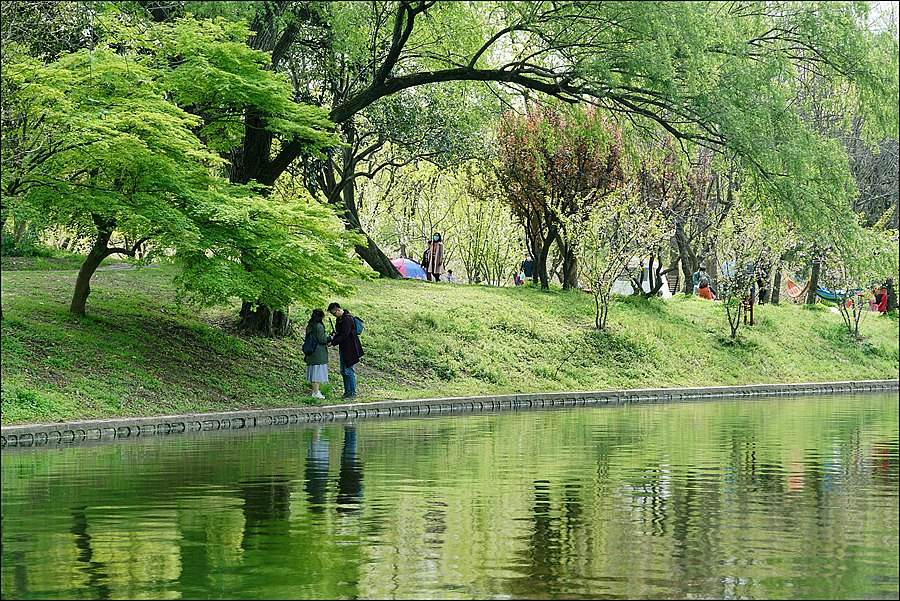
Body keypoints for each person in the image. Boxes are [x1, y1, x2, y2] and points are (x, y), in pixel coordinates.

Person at [327, 302, 364, 399]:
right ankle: (347, 392)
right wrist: (333, 336)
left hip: (350, 348)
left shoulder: (347, 318)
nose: (334, 315)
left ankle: (352, 393)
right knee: (343, 371)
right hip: (344, 348)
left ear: (338, 310)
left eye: (334, 313)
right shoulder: (339, 319)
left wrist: (333, 342)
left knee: (349, 370)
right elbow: (340, 333)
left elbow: (345, 334)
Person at [303, 308, 330, 399]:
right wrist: (330, 338)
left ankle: (315, 391)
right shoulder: (319, 326)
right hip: (318, 353)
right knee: (317, 374)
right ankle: (316, 392)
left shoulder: (310, 325)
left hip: (311, 352)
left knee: (313, 372)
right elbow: (322, 339)